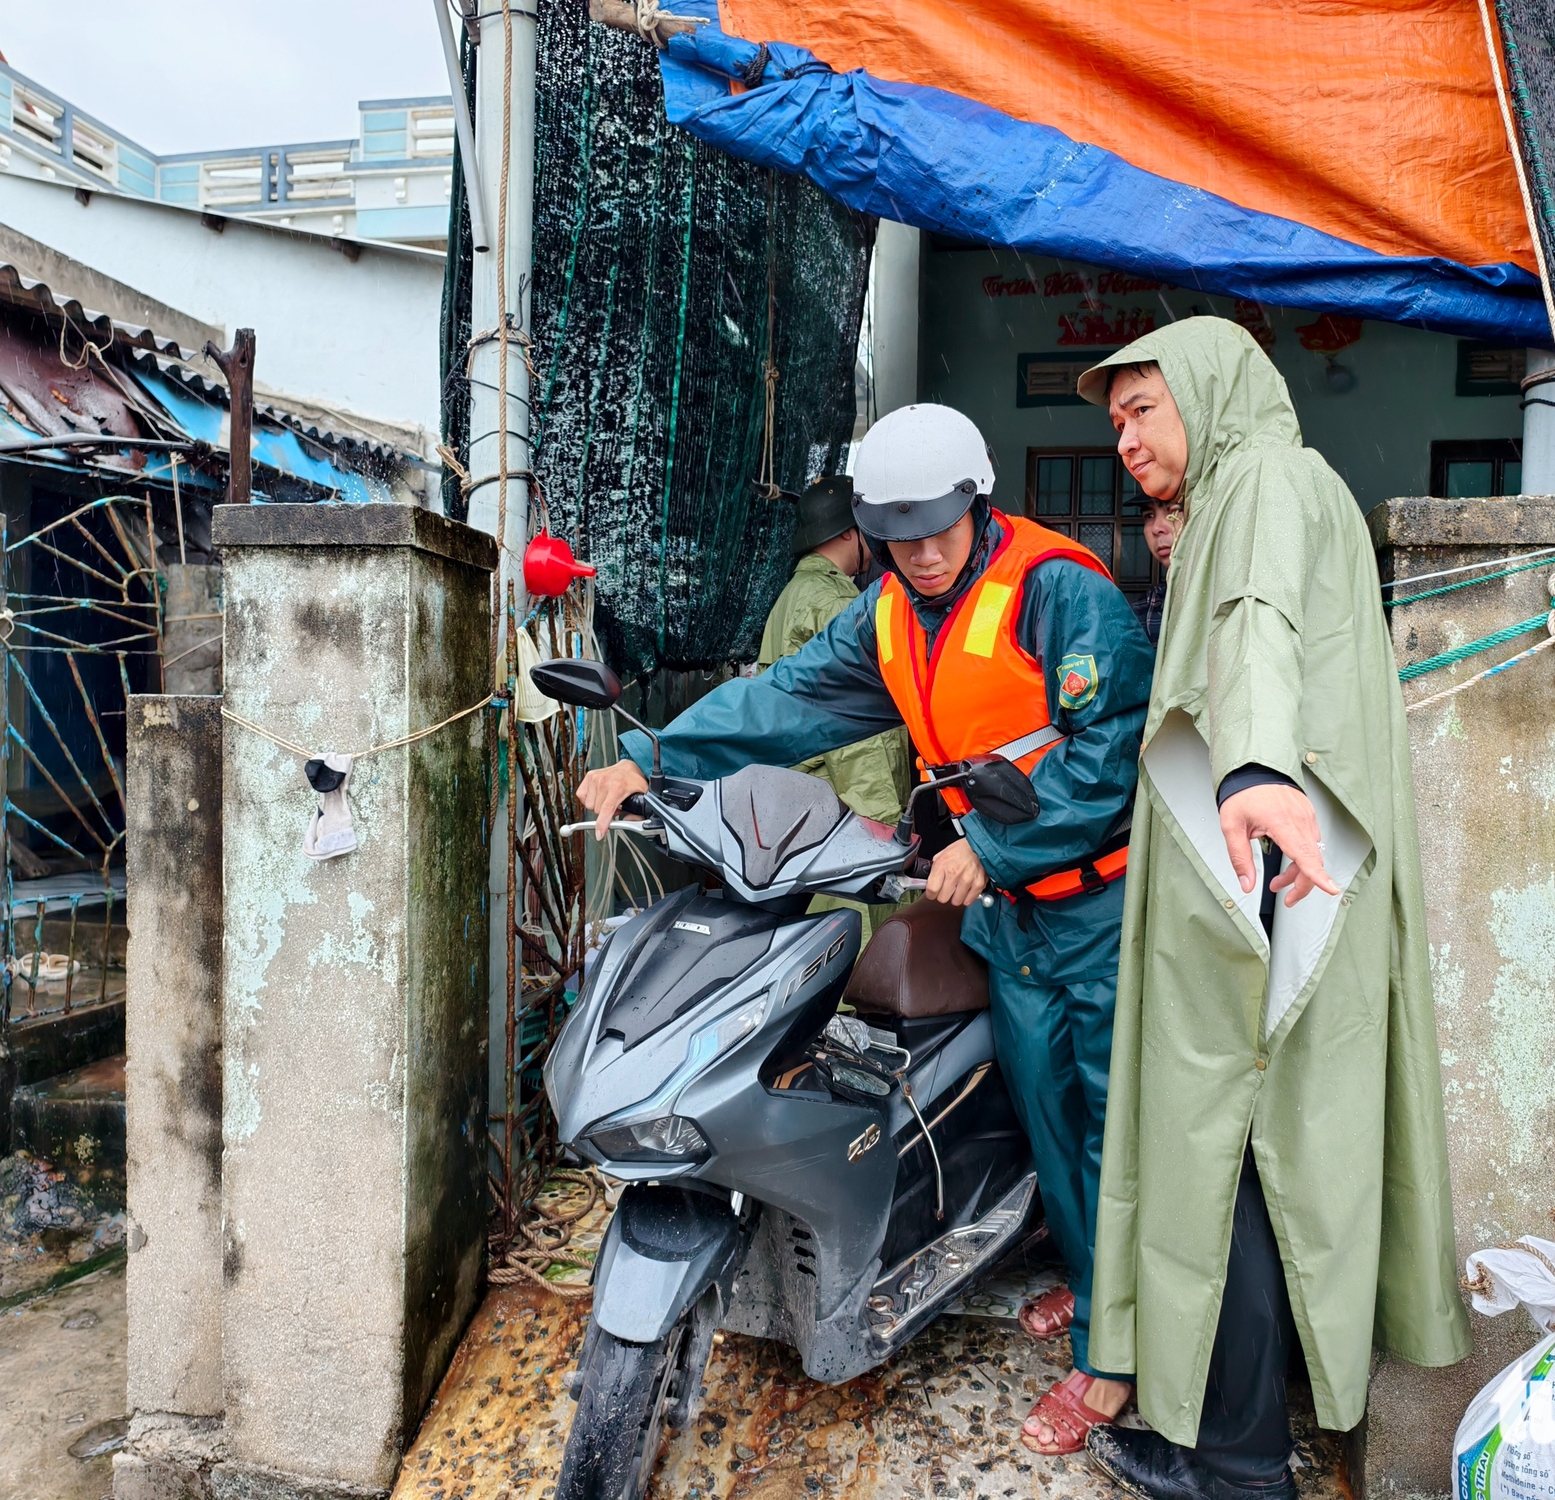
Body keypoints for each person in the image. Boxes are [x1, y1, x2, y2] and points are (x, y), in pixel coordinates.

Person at [576, 404, 1153, 1454]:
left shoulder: (1057, 589)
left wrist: (996, 851)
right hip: (1004, 920)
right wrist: (652, 760)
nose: (924, 552)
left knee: (1113, 1124)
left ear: (977, 503)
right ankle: (1088, 1283)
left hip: (1093, 909)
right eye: (900, 535)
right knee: (1047, 1112)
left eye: (940, 528)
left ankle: (1112, 1364)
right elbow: (784, 700)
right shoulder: (886, 612)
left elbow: (1108, 749)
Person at [1074, 319, 1468, 1500]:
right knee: (1249, 1156)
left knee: (1231, 1154)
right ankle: (1231, 1439)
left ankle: (1239, 1465)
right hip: (1267, 878)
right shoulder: (1273, 490)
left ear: (1202, 390)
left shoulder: (1262, 485)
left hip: (1262, 886)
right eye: (1113, 423)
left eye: (1141, 409)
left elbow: (1256, 627)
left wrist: (1251, 771)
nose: (1126, 439)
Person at [757, 474, 913, 943]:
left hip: (798, 797)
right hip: (844, 805)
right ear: (851, 532)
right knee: (853, 929)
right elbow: (854, 729)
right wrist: (882, 826)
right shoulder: (837, 603)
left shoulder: (790, 598)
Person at [1131, 491, 1185, 646]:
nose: (1156, 528)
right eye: (1149, 516)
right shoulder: (1144, 611)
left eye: (1173, 512)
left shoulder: (1227, 600)